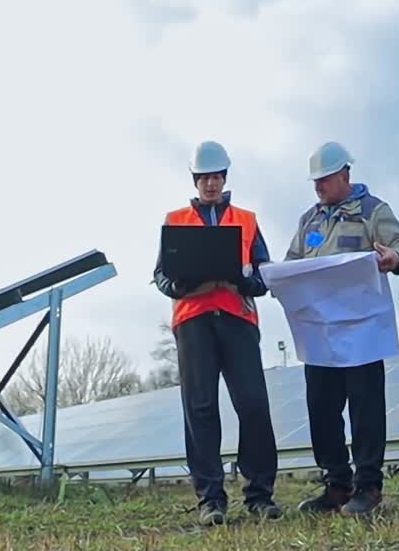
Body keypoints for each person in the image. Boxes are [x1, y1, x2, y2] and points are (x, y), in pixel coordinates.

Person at [152, 141, 281, 525]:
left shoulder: (247, 219)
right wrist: (183, 288)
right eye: (204, 177)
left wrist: (241, 280)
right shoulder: (175, 220)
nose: (211, 183)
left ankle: (259, 495)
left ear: (225, 178)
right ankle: (210, 498)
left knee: (253, 403)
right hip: (193, 320)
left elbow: (264, 274)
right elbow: (160, 275)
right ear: (195, 180)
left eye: (217, 176)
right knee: (201, 408)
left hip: (238, 319)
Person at [285, 140, 399, 517]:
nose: (318, 187)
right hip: (321, 334)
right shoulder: (309, 219)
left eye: (324, 180)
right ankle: (336, 484)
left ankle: (368, 486)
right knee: (321, 408)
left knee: (365, 408)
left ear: (345, 174)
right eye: (315, 182)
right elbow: (293, 262)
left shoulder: (372, 211)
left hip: (361, 332)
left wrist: (394, 258)